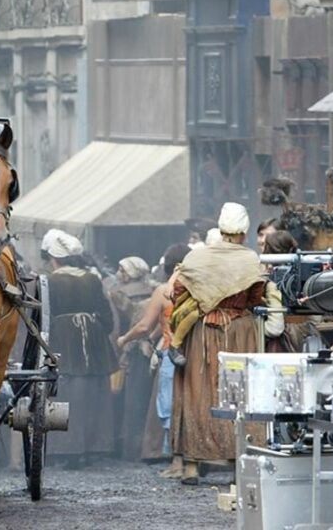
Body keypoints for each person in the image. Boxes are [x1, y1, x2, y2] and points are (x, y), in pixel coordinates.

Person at [170, 202, 267, 484]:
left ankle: (191, 464)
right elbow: (256, 296)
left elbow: (178, 290)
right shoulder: (249, 258)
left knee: (198, 391)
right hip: (240, 331)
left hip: (202, 330)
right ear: (244, 233)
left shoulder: (198, 257)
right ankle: (239, 462)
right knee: (239, 393)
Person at [39, 229, 117, 467]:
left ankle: (67, 448)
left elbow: (44, 316)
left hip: (62, 339)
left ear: (53, 258)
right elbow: (106, 318)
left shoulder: (49, 281)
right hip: (93, 341)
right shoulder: (92, 279)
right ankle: (95, 446)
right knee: (94, 392)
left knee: (66, 390)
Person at [116, 244, 190, 470]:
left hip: (171, 352)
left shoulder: (163, 291)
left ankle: (176, 460)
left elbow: (144, 326)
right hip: (195, 352)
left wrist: (124, 339)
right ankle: (190, 458)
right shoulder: (199, 289)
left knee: (167, 404)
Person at [109, 256, 155, 461]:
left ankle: (129, 447)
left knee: (131, 399)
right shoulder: (155, 289)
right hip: (151, 346)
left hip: (131, 345)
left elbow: (118, 322)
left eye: (121, 269)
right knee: (145, 398)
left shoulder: (118, 294)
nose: (119, 273)